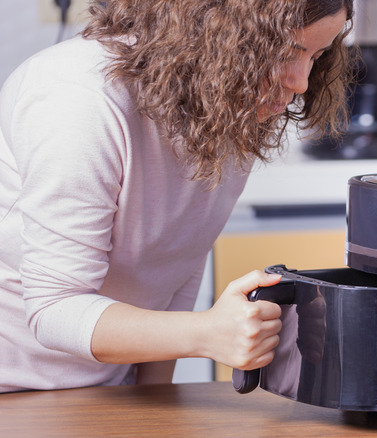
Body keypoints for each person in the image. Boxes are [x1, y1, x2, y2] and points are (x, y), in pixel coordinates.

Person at [0, 0, 354, 393]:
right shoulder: (77, 98)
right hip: (13, 392)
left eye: (316, 55)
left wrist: (154, 401)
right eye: (285, 53)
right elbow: (53, 309)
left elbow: (174, 268)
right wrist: (206, 333)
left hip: (109, 392)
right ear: (214, 29)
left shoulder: (224, 105)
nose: (301, 83)